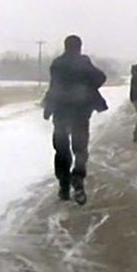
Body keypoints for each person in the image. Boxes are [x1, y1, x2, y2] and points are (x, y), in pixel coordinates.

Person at [42, 35, 108, 205]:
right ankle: (78, 178)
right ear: (79, 47)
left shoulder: (57, 64)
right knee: (80, 148)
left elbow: (54, 86)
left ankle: (64, 186)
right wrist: (87, 87)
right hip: (80, 111)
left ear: (65, 46)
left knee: (61, 149)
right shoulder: (84, 62)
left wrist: (48, 108)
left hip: (61, 110)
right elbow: (101, 78)